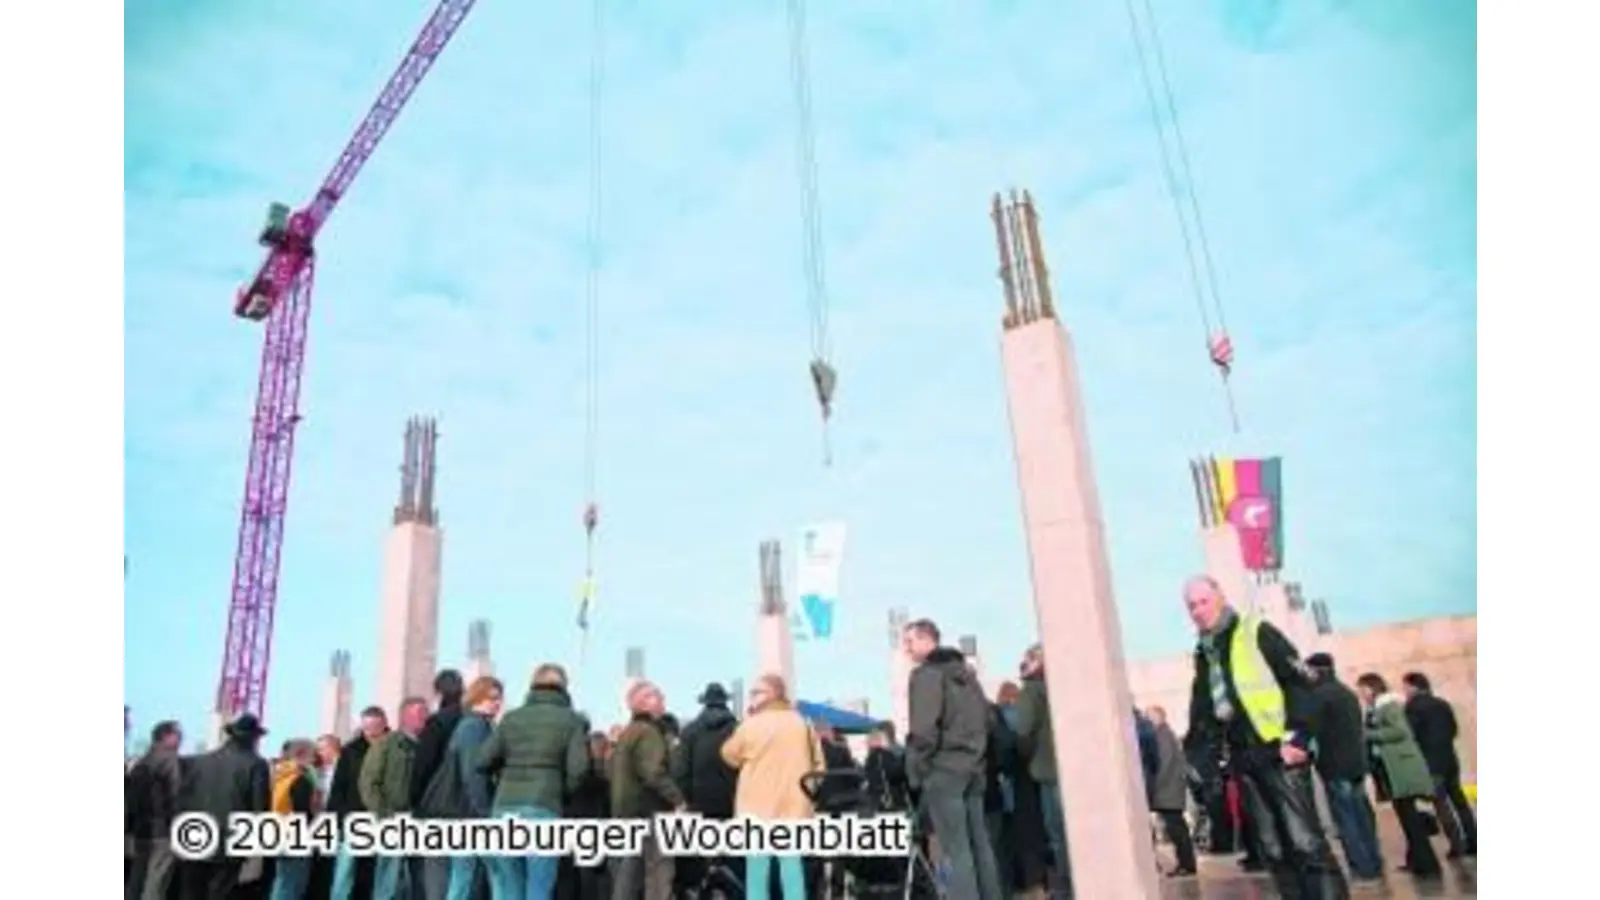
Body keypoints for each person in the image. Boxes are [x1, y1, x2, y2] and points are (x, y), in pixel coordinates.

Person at [1180, 575, 1348, 900]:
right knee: (1272, 848)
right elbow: (1204, 710)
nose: (1198, 611)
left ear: (1220, 597)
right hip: (1243, 758)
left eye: (1203, 601)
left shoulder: (1255, 632)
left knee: (1305, 842)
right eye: (1192, 606)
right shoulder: (1206, 653)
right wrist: (1201, 758)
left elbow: (1301, 683)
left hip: (1278, 751)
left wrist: (1297, 737)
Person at [902, 618, 1005, 900]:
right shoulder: (967, 676)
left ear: (926, 640)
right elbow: (988, 719)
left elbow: (923, 730)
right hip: (974, 768)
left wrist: (918, 768)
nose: (906, 649)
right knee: (979, 844)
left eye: (909, 642)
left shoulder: (926, 676)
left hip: (944, 770)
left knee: (955, 849)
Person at [478, 663, 589, 900]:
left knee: (508, 889)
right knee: (538, 889)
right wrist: (562, 792)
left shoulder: (511, 718)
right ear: (564, 689)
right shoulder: (571, 721)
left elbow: (483, 759)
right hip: (544, 807)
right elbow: (579, 770)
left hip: (505, 807)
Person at [720, 674, 825, 900]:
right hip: (794, 807)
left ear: (772, 694)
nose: (752, 697)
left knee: (757, 871)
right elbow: (819, 764)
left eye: (756, 692)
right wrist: (807, 796)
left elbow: (729, 755)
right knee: (792, 866)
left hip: (757, 807)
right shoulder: (802, 723)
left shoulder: (751, 725)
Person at [420, 675, 503, 900]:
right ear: (478, 697)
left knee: (463, 875)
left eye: (500, 698)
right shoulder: (474, 727)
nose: (498, 703)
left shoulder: (477, 724)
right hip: (468, 811)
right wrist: (485, 812)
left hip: (462, 811)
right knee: (494, 872)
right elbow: (473, 774)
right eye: (492, 697)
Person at [1304, 654, 1384, 883]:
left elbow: (1311, 730)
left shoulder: (1319, 696)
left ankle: (1362, 868)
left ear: (1316, 671)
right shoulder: (1347, 693)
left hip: (1336, 766)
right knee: (1363, 817)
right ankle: (1374, 863)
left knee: (1346, 819)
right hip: (1356, 764)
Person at [1355, 673, 1442, 878]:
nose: (1361, 694)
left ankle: (1427, 864)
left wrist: (1367, 734)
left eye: (1362, 689)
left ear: (1371, 688)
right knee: (1406, 816)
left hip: (1401, 766)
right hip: (1394, 768)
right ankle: (1417, 860)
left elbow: (1399, 731)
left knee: (1410, 817)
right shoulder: (1378, 708)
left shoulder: (1388, 706)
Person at [178, 714, 272, 900]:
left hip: (194, 834)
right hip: (228, 841)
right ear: (254, 738)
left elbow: (182, 799)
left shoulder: (198, 762)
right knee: (219, 892)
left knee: (190, 892)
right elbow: (259, 808)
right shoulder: (256, 764)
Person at [609, 680, 685, 900]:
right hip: (650, 811)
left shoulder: (626, 734)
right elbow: (653, 772)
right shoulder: (649, 732)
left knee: (628, 875)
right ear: (644, 702)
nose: (663, 702)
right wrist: (678, 800)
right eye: (658, 697)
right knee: (659, 873)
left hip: (626, 812)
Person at [671, 682, 741, 896]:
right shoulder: (737, 729)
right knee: (730, 857)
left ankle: (705, 890)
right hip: (731, 802)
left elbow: (680, 770)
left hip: (698, 804)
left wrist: (684, 801)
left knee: (702, 857)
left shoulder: (690, 731)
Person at [1014, 642, 1070, 894]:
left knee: (1058, 835)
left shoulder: (1032, 690)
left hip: (1047, 769)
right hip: (1072, 766)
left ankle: (1067, 889)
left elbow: (1022, 730)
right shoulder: (1065, 683)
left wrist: (1025, 756)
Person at [1401, 672, 1476, 858]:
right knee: (1459, 801)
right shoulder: (1442, 704)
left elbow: (1411, 734)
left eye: (1405, 687)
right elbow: (1453, 729)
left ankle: (1456, 845)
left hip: (1430, 761)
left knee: (1441, 805)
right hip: (1449, 757)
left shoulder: (1412, 707)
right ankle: (1473, 839)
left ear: (1413, 687)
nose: (1404, 691)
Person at [360, 697, 428, 900]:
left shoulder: (426, 745)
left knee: (415, 880)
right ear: (406, 716)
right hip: (392, 817)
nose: (426, 718)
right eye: (421, 713)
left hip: (418, 820)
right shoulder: (386, 744)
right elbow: (369, 783)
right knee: (389, 879)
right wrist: (384, 816)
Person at [412, 669, 466, 900]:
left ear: (437, 691)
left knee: (436, 868)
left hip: (437, 805)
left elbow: (422, 766)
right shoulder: (474, 721)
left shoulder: (437, 723)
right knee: (464, 870)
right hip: (467, 803)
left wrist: (415, 800)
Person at [328, 706, 388, 900]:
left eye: (374, 726)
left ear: (384, 724)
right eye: (366, 727)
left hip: (384, 817)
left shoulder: (395, 747)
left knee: (380, 872)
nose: (370, 731)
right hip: (353, 818)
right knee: (345, 871)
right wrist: (337, 819)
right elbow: (339, 787)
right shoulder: (351, 751)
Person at [126, 720, 184, 900]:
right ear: (167, 736)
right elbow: (178, 794)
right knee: (156, 882)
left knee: (136, 879)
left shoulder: (142, 762)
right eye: (178, 734)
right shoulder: (170, 760)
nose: (182, 739)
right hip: (163, 831)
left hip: (139, 830)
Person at [1146, 706, 1199, 878]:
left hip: (1168, 789)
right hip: (1171, 788)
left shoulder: (1162, 736)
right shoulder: (1166, 735)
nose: (1147, 720)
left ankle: (1187, 864)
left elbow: (1163, 764)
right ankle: (1186, 863)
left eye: (1149, 716)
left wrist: (1154, 786)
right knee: (1176, 827)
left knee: (1176, 828)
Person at [269, 740, 320, 900]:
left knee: (283, 880)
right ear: (301, 755)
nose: (314, 760)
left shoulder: (277, 775)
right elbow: (303, 811)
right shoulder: (299, 779)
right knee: (293, 884)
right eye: (312, 755)